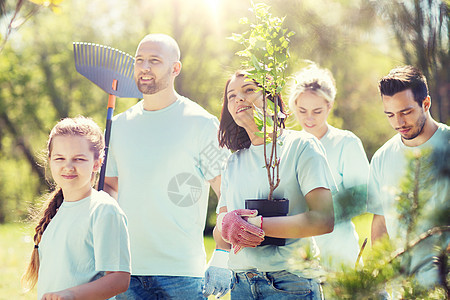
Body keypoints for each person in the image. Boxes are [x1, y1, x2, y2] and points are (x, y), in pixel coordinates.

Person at [104, 33, 229, 299]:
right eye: (139, 60)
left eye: (154, 60)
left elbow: (227, 191)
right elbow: (109, 190)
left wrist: (222, 254)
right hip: (125, 273)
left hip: (182, 275)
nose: (145, 67)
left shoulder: (201, 124)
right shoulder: (118, 126)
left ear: (175, 68)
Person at [204, 70, 336, 300]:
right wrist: (225, 231)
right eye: (231, 96)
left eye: (249, 90)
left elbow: (324, 219)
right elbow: (222, 230)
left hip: (290, 283)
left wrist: (255, 224)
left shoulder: (302, 146)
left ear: (271, 99)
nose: (239, 99)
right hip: (241, 284)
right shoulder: (233, 162)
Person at [21, 116, 131, 299]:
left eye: (79, 159)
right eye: (60, 158)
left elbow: (119, 279)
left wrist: (71, 295)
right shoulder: (57, 212)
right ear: (50, 160)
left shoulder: (104, 210)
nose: (68, 167)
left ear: (97, 162)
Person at [368, 65, 449, 288]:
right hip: (403, 288)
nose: (398, 123)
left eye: (406, 112)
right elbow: (380, 222)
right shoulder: (381, 158)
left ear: (426, 103)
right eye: (390, 115)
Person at [288, 64, 370, 269]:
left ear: (329, 106)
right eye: (302, 111)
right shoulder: (287, 146)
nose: (308, 118)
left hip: (339, 254)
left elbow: (361, 199)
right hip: (297, 258)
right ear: (294, 106)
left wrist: (317, 212)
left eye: (317, 111)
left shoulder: (346, 143)